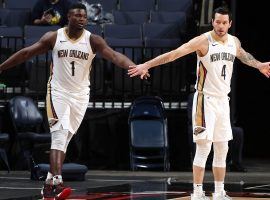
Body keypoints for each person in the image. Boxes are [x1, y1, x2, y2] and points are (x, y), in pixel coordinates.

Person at [0, 3, 148, 199]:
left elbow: (114, 56)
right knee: (59, 136)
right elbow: (27, 53)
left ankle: (48, 185)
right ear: (68, 17)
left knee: (65, 140)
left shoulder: (93, 40)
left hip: (80, 95)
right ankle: (57, 183)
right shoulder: (54, 37)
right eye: (77, 15)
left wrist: (134, 66)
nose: (81, 19)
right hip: (58, 92)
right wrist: (2, 67)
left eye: (84, 16)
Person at [128, 6, 270, 200]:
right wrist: (147, 64)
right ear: (212, 22)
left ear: (230, 24)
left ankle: (219, 191)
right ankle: (197, 191)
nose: (220, 26)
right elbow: (174, 54)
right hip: (205, 100)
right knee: (204, 147)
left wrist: (259, 65)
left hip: (222, 101)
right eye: (217, 22)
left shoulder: (233, 42)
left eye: (224, 22)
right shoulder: (203, 41)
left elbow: (244, 56)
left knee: (223, 148)